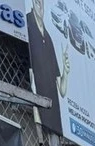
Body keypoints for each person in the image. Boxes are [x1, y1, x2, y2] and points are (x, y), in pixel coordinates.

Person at [27, 0, 70, 135]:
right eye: (36, 2)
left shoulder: (49, 38)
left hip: (54, 117)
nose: (40, 6)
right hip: (40, 114)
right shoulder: (27, 26)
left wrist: (66, 71)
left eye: (41, 2)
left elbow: (62, 91)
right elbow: (31, 77)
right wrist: (36, 114)